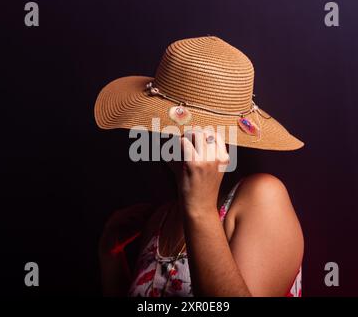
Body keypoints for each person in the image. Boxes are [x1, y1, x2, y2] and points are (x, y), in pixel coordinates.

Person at [94, 36, 304, 297]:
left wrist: (202, 209)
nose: (162, 132)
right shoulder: (160, 220)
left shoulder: (263, 195)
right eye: (159, 121)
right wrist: (111, 256)